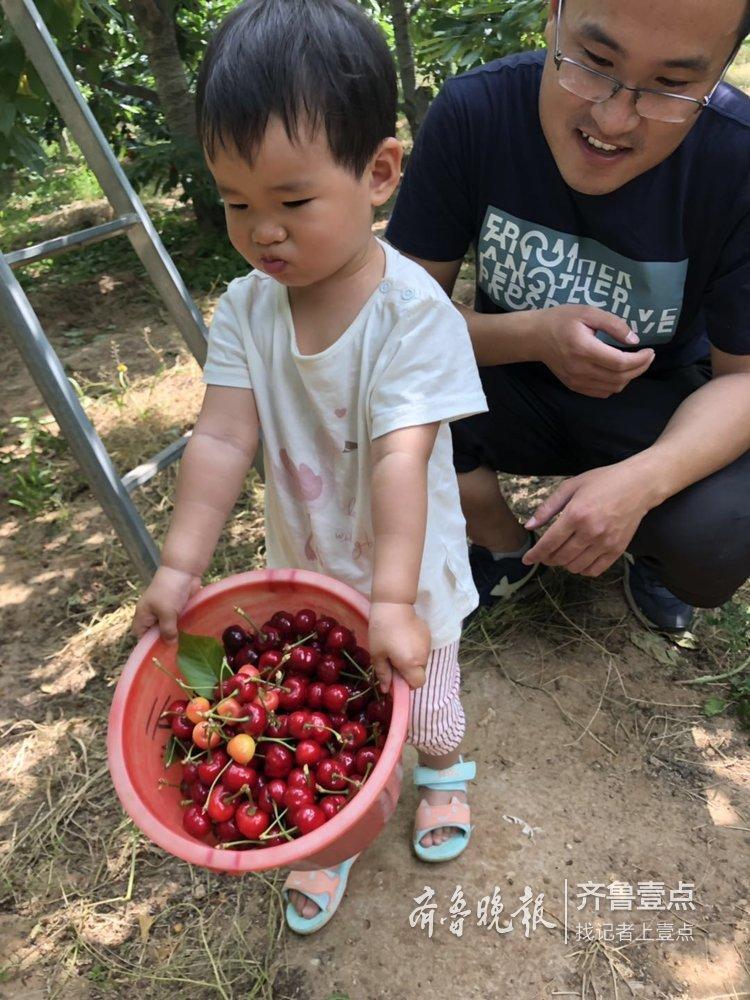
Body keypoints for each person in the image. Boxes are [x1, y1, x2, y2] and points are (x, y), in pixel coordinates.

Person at [132, 0, 487, 934]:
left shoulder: (413, 315)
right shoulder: (248, 310)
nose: (263, 232)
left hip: (412, 574)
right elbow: (219, 438)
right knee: (317, 716)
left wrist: (398, 601)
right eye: (237, 203)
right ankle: (328, 830)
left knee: (427, 706)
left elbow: (401, 458)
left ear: (379, 174)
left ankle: (446, 773)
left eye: (291, 202)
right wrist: (179, 566)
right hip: (311, 560)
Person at [386, 0, 750, 633]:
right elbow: (396, 322)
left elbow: (744, 377)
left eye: (671, 86)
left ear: (721, 70)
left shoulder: (739, 160)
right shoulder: (477, 111)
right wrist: (531, 334)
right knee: (368, 394)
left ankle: (653, 555)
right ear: (552, 16)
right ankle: (502, 544)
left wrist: (643, 483)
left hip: (656, 401)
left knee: (716, 531)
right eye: (595, 61)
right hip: (503, 382)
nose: (612, 118)